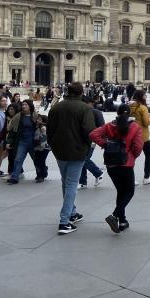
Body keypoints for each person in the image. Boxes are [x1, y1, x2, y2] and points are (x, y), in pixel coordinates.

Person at [47, 82, 96, 235]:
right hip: (77, 151)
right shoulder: (85, 108)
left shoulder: (56, 107)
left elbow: (49, 130)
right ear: (81, 93)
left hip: (59, 151)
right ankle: (64, 221)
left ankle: (72, 212)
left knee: (66, 182)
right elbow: (89, 131)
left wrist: (53, 145)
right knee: (72, 184)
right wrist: (87, 146)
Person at [90, 104, 144, 234]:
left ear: (117, 113)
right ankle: (114, 216)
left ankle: (123, 220)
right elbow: (138, 147)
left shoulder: (109, 126)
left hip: (111, 164)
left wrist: (106, 145)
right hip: (126, 164)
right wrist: (131, 156)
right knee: (129, 191)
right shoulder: (135, 127)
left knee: (121, 191)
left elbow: (93, 134)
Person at [5, 100, 41, 184]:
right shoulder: (18, 116)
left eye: (26, 105)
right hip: (22, 142)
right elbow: (12, 130)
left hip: (33, 142)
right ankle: (14, 177)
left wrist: (41, 125)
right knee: (18, 159)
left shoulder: (35, 115)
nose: (23, 106)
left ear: (30, 106)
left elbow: (43, 124)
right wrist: (9, 141)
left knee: (36, 160)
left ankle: (40, 175)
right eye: (23, 105)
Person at [129, 90, 150, 184]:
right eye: (145, 95)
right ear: (141, 97)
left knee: (131, 156)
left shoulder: (130, 106)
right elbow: (146, 122)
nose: (146, 97)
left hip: (132, 134)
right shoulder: (143, 108)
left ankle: (130, 179)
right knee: (149, 155)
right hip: (143, 136)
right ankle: (146, 177)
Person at [79, 96, 105, 188]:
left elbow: (102, 127)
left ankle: (98, 173)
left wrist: (100, 141)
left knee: (83, 159)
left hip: (92, 140)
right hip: (82, 140)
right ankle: (82, 182)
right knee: (82, 158)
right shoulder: (83, 112)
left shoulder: (96, 113)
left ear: (90, 103)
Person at [33, 114, 51, 183]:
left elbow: (44, 137)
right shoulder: (35, 127)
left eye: (40, 119)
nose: (38, 120)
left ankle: (41, 176)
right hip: (37, 147)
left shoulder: (43, 128)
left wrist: (42, 127)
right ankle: (42, 172)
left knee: (41, 161)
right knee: (37, 161)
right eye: (38, 119)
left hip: (45, 148)